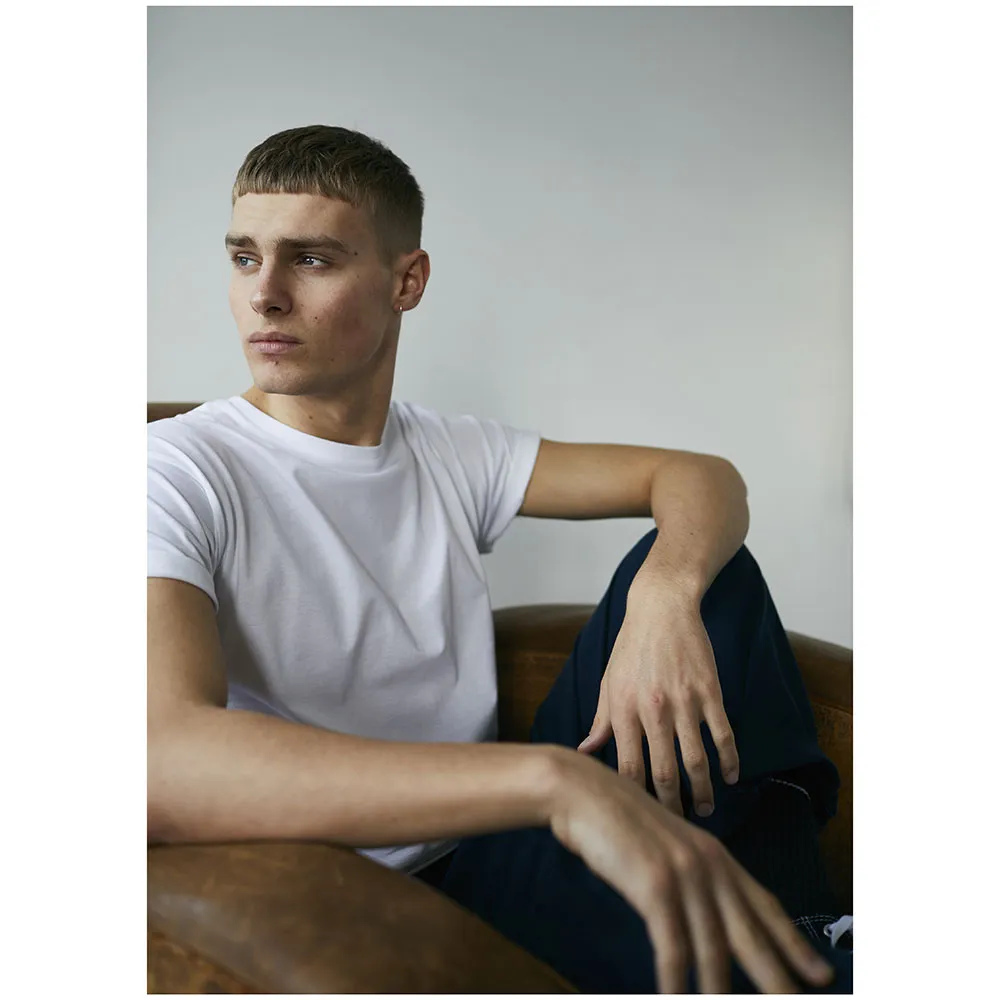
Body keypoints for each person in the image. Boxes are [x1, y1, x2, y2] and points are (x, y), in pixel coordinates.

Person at [147, 125, 852, 993]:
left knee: (710, 573)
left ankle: (802, 925)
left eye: (312, 260)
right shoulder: (174, 471)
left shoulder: (449, 451)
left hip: (501, 850)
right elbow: (161, 757)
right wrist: (553, 782)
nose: (265, 296)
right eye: (244, 258)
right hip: (357, 894)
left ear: (407, 281)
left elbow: (699, 476)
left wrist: (663, 597)